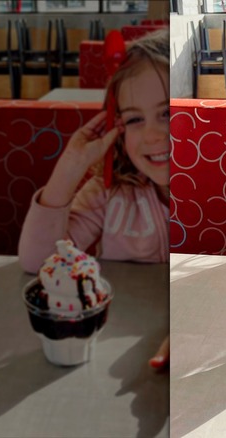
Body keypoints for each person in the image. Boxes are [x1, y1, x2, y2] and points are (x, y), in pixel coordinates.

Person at [18, 29, 171, 369]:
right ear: (115, 127)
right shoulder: (107, 193)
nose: (152, 134)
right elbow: (37, 262)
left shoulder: (210, 194)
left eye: (168, 113)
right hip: (111, 350)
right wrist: (71, 168)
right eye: (134, 119)